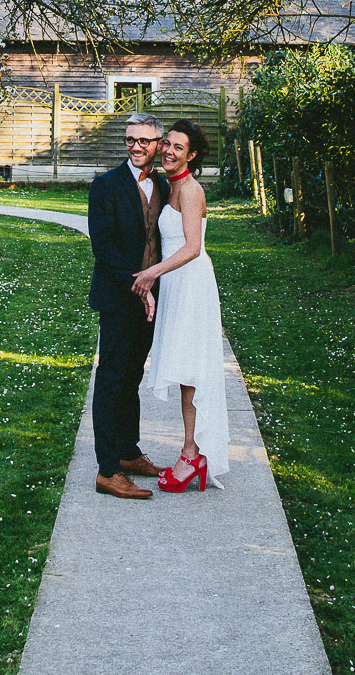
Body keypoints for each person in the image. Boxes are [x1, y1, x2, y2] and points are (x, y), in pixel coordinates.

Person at [132, 118, 229, 492]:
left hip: (190, 284)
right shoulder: (166, 185)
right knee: (185, 371)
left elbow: (192, 247)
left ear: (192, 155)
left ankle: (192, 454)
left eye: (178, 147)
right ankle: (191, 451)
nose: (170, 151)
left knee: (190, 372)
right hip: (175, 282)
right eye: (167, 144)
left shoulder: (190, 191)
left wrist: (151, 274)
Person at [85, 112, 169, 499]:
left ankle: (128, 452)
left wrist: (157, 285)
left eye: (144, 141)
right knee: (111, 379)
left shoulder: (164, 187)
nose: (136, 147)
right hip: (120, 297)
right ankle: (107, 470)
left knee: (132, 375)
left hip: (153, 297)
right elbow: (104, 248)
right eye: (130, 140)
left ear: (159, 144)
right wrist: (139, 285)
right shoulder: (106, 186)